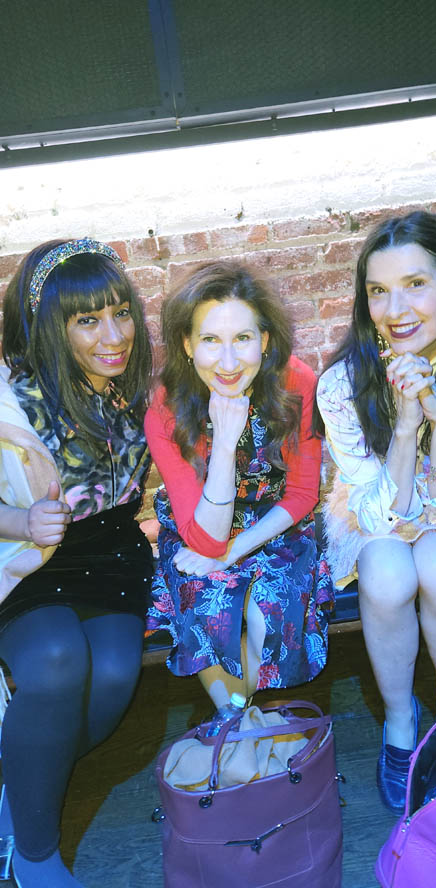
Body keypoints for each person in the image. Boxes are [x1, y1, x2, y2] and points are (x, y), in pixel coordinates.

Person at [316, 211, 436, 813]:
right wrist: (406, 426)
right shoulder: (343, 382)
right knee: (389, 574)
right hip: (377, 504)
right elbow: (376, 515)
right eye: (378, 290)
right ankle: (400, 721)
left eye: (416, 284)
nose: (396, 308)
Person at [0, 239, 153, 887]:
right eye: (88, 320)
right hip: (30, 562)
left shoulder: (128, 391)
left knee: (115, 679)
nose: (113, 335)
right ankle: (34, 854)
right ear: (50, 327)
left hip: (112, 554)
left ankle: (17, 788)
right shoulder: (12, 402)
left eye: (121, 313)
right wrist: (20, 519)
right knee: (58, 661)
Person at [145, 262, 334, 708]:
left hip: (278, 520)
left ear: (264, 342)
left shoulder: (296, 383)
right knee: (209, 606)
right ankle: (243, 728)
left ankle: (234, 724)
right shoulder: (164, 408)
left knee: (269, 611)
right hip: (200, 524)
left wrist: (235, 549)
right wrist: (225, 444)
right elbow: (207, 540)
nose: (228, 364)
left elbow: (304, 493)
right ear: (187, 345)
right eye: (210, 340)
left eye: (243, 339)